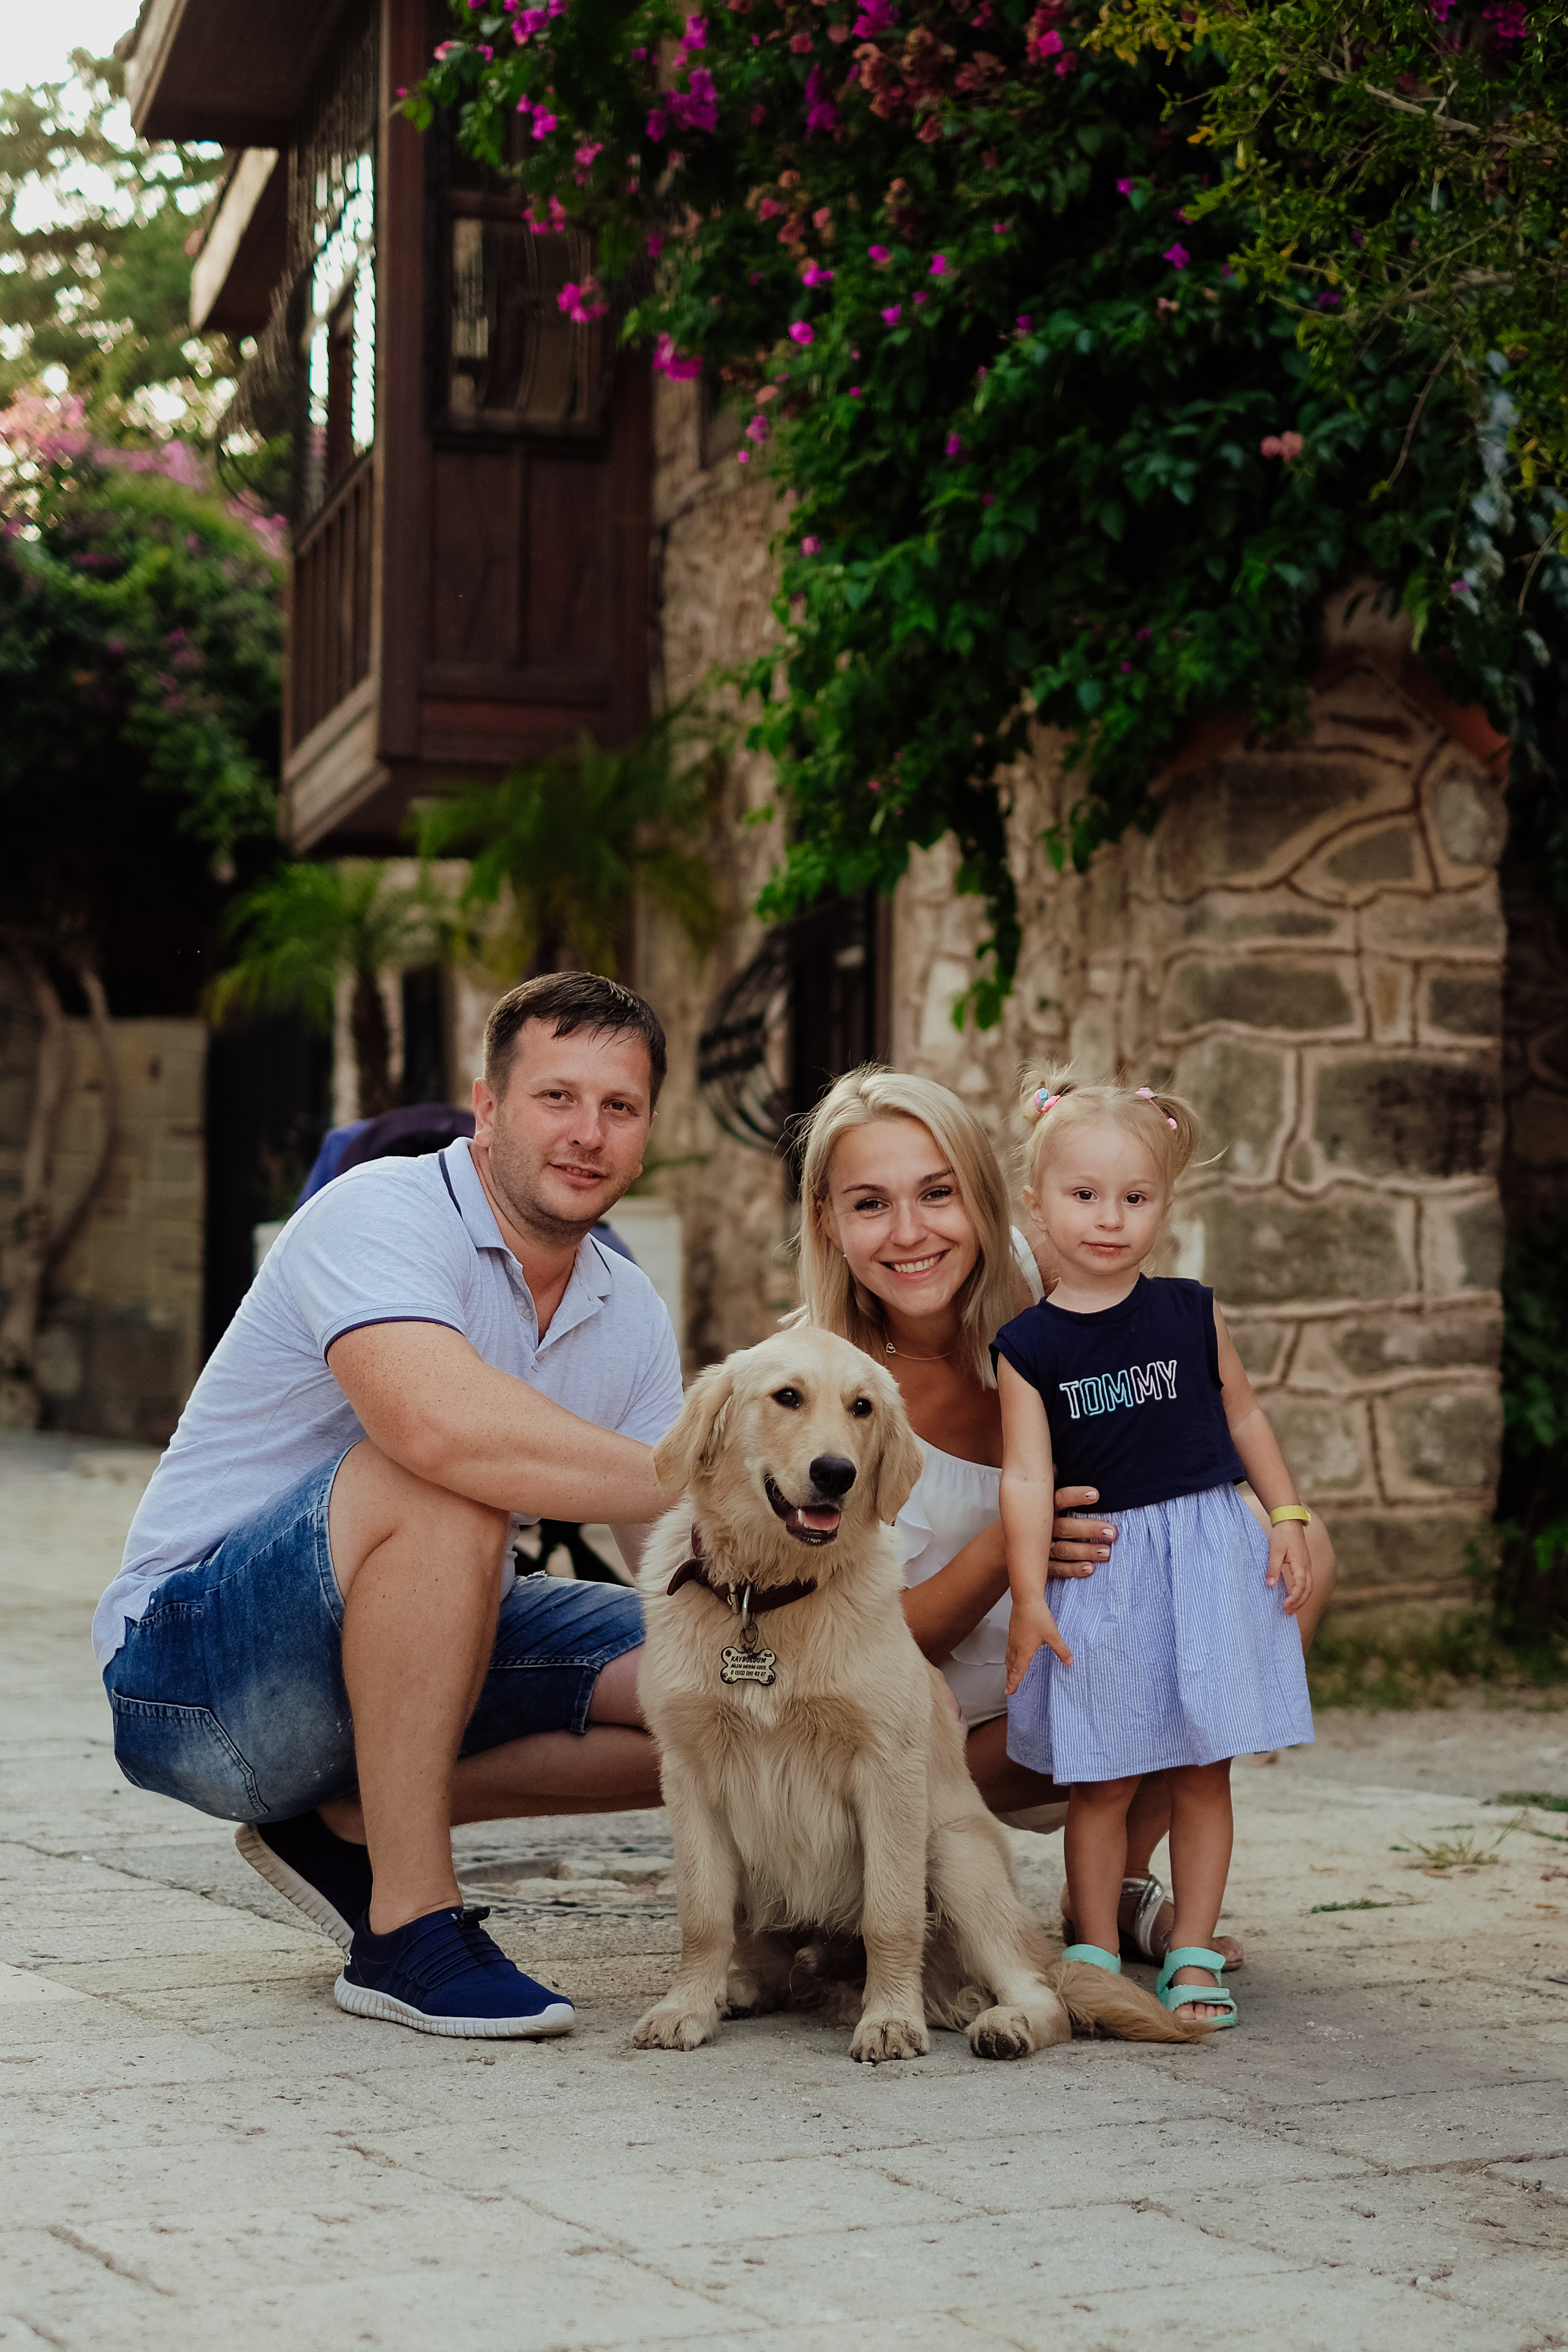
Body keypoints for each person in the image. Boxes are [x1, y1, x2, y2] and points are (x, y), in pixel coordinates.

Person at [93, 973, 680, 2040]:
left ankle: (360, 1817)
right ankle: (408, 1924)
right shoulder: (376, 1211)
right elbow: (438, 1431)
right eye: (557, 1097)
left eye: (619, 1107)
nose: (587, 1133)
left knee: (726, 1684)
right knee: (444, 1473)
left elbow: (681, 1558)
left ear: (645, 1134)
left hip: (423, 1653)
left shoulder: (627, 1308)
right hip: (197, 1677)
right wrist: (714, 1469)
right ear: (490, 1106)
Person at [793, 1066, 1335, 1973]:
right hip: (946, 1724)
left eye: (939, 1193)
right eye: (869, 1204)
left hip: (1096, 1635)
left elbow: (1193, 1390)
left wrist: (1244, 1517)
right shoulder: (821, 1389)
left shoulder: (1052, 1278)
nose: (912, 1232)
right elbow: (840, 1646)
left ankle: (1119, 1890)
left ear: (992, 1199)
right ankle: (872, 1888)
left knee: (1277, 1560)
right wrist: (1013, 1549)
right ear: (827, 1222)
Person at [996, 1071, 1316, 2026]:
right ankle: (1093, 1947)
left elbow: (1246, 1413)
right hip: (1104, 1576)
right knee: (1101, 1772)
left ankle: (1190, 1950)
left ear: (1165, 1205)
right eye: (1084, 1196)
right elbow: (1025, 1479)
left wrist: (1288, 1515)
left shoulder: (1190, 1312)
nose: (1109, 1219)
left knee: (1201, 1767)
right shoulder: (1029, 1345)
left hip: (1208, 1560)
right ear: (1037, 1201)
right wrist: (1029, 1597)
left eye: (1136, 1198)